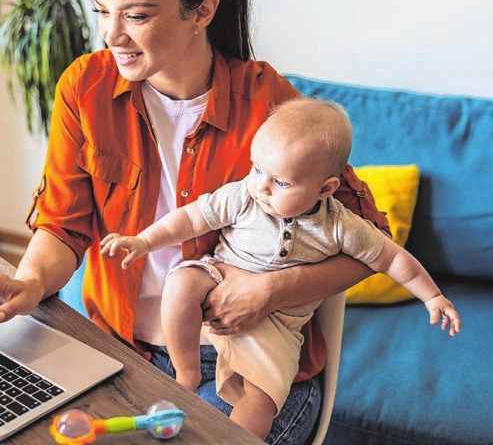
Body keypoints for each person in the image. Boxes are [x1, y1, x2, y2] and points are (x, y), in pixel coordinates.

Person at [0, 0, 392, 444]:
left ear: (202, 10)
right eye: (103, 12)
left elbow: (374, 241)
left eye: (136, 15)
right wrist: (28, 281)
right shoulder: (84, 89)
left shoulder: (269, 106)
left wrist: (271, 292)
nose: (112, 36)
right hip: (113, 347)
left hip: (240, 365)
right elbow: (63, 228)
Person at [100, 97, 461, 440]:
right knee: (180, 281)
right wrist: (144, 241)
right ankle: (186, 373)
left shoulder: (339, 226)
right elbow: (192, 218)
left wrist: (432, 296)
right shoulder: (245, 194)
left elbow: (392, 257)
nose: (262, 186)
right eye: (258, 169)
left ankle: (234, 439)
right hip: (220, 277)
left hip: (278, 328)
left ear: (325, 189)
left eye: (281, 182)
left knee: (262, 399)